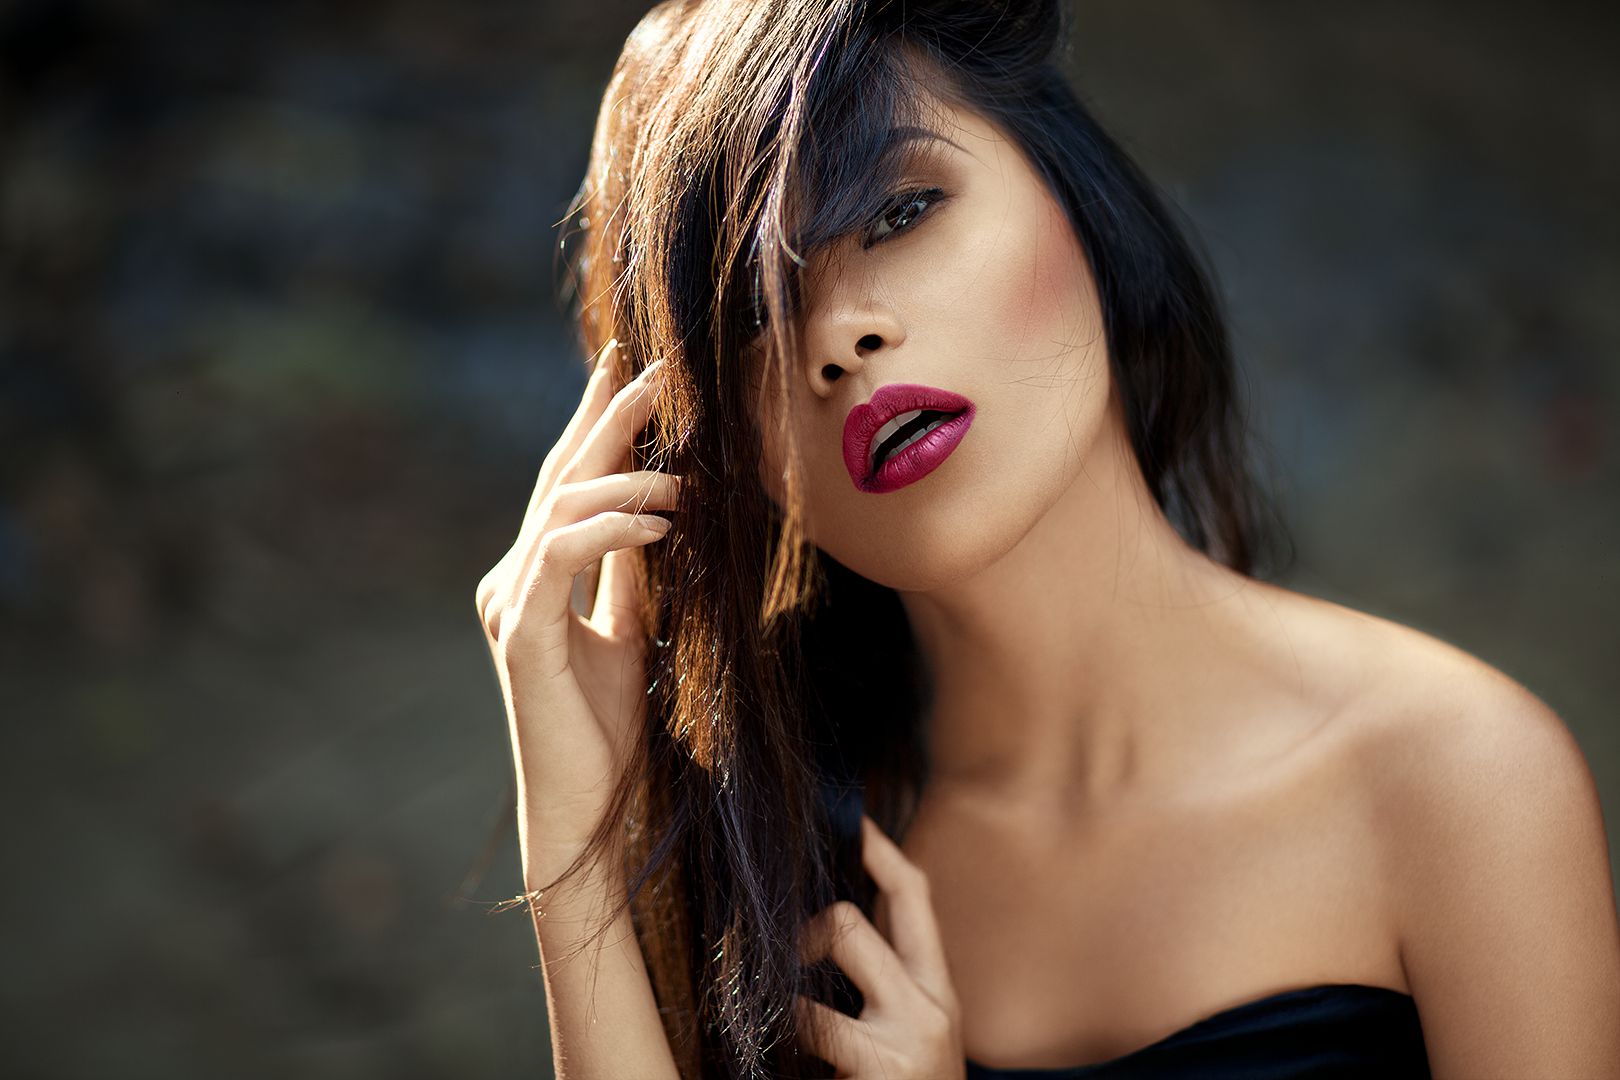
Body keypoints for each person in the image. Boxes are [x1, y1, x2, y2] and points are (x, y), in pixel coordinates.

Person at [472, 0, 1620, 1076]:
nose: (836, 334)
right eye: (750, 317)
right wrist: (574, 857)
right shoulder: (781, 862)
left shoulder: (1457, 780)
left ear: (1077, 198)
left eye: (900, 213)